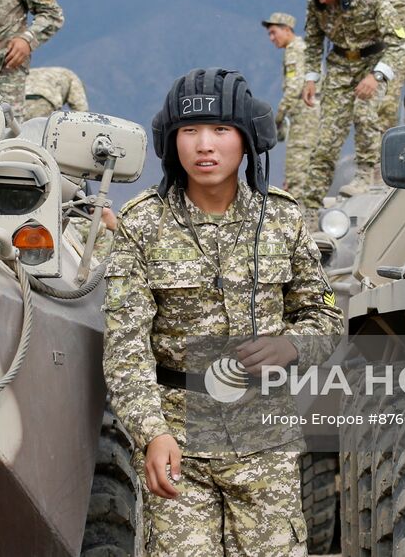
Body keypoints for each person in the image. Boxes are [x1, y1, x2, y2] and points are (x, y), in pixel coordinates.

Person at [103, 68, 342, 557]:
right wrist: (152, 434)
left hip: (266, 444)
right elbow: (125, 347)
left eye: (220, 130)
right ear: (170, 144)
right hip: (178, 446)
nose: (204, 146)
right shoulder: (141, 224)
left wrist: (293, 344)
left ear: (247, 141)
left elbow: (325, 316)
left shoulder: (283, 218)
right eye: (188, 132)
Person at [297, 0, 405, 206]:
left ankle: (365, 174)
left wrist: (376, 76)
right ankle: (310, 206)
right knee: (327, 138)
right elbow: (313, 41)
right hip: (339, 64)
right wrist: (311, 78)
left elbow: (400, 42)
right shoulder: (314, 3)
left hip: (373, 62)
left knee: (364, 114)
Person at [261, 12, 319, 194]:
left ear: (286, 30)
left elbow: (294, 88)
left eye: (273, 32)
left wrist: (278, 117)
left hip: (304, 116)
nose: (271, 38)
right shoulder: (301, 48)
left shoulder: (294, 50)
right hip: (309, 115)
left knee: (297, 165)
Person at [24, 66, 90, 120]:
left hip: (20, 100)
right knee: (43, 132)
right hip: (45, 100)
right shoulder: (74, 78)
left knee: (20, 133)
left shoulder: (59, 73)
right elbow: (81, 111)